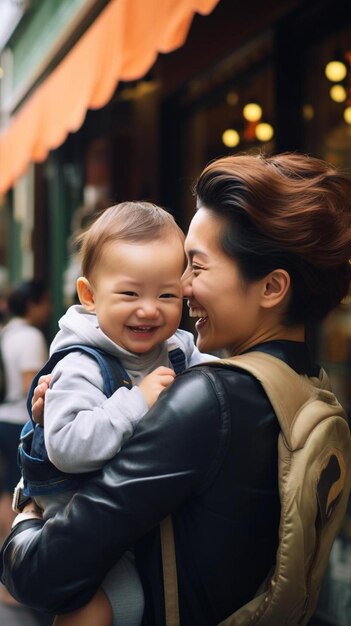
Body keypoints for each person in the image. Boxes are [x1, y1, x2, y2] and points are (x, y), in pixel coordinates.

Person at [1, 152, 351, 626]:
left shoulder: (207, 399)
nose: (181, 288)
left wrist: (26, 508)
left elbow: (41, 574)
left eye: (197, 268)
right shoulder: (306, 387)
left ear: (272, 288)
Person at [17, 202, 213, 626]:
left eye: (166, 295)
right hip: (78, 517)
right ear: (89, 295)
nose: (149, 309)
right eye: (129, 293)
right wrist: (136, 400)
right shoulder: (80, 363)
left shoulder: (178, 348)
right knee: (115, 606)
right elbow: (67, 447)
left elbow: (217, 382)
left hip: (133, 510)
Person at [0, 280, 51, 606]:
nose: (47, 309)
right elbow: (29, 386)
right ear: (32, 303)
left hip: (3, 416)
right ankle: (12, 574)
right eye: (45, 302)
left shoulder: (8, 332)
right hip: (20, 420)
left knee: (6, 492)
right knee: (19, 496)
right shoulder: (31, 336)